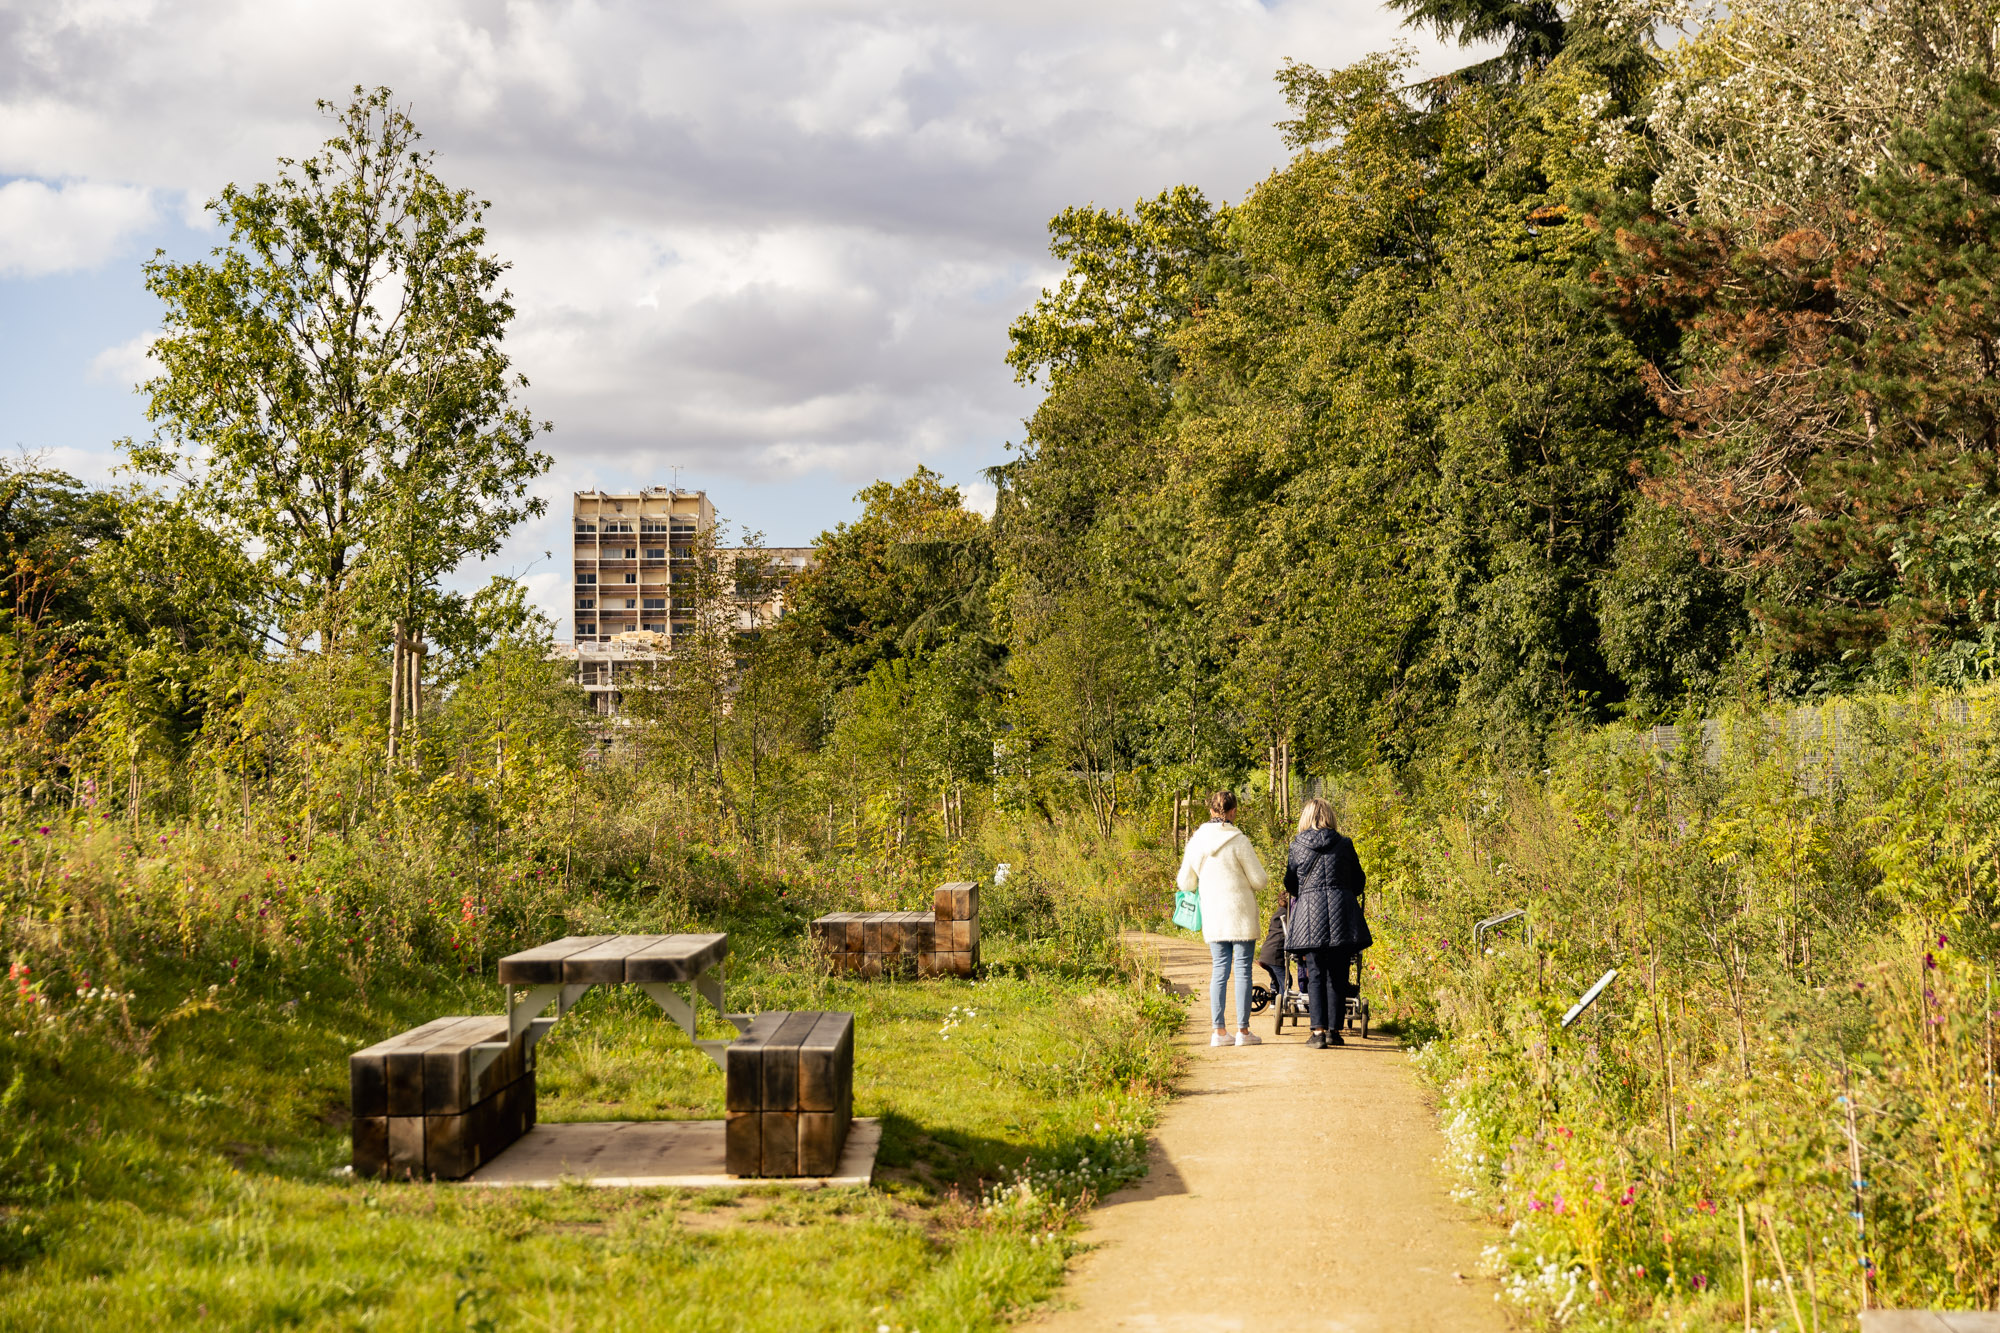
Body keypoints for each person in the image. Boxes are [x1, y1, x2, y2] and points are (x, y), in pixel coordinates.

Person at [1176, 790, 1269, 1047]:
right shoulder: (1239, 841)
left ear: (1211, 811)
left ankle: (1219, 1033)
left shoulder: (1197, 841)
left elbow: (1184, 881)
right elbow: (1260, 881)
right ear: (1233, 811)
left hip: (1214, 916)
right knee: (1242, 971)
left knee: (1219, 970)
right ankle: (1243, 1032)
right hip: (1241, 916)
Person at [1282, 797, 1371, 1048]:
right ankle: (1334, 1031)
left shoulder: (1297, 845)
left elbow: (1290, 884)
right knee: (1339, 974)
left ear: (1306, 818)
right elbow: (1359, 881)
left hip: (1310, 915)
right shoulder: (1344, 844)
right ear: (1330, 817)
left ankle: (1318, 1033)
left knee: (1316, 973)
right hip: (1342, 915)